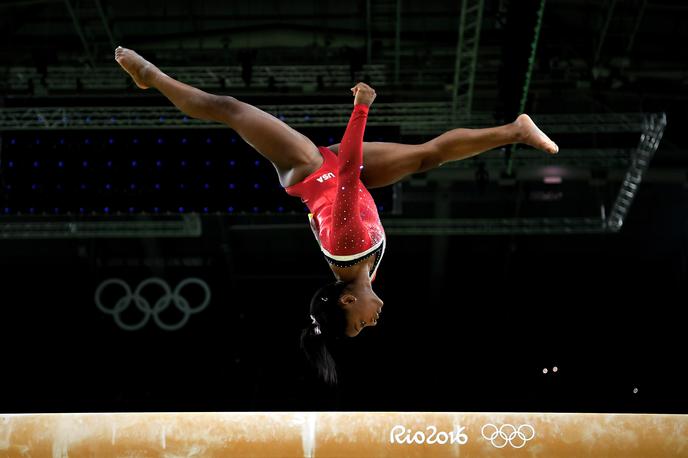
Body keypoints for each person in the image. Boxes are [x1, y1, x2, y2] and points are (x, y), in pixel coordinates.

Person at [114, 46, 558, 384]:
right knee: (428, 157)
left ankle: (153, 77)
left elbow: (345, 172)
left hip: (310, 168)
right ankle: (516, 130)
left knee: (230, 109)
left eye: (359, 324)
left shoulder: (347, 251)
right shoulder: (364, 276)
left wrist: (362, 106)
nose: (371, 323)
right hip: (347, 179)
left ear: (348, 300)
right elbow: (349, 181)